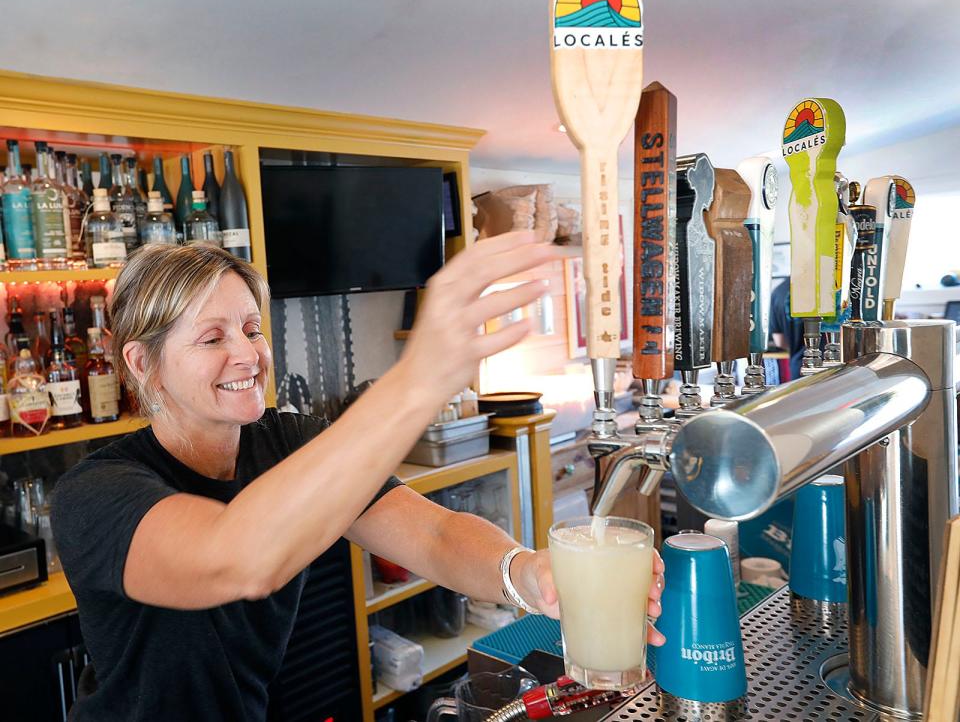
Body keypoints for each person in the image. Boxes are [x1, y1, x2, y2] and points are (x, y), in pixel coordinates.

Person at [51, 233, 666, 721]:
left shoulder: (289, 442)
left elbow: (433, 536)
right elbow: (236, 558)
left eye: (251, 327)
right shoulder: (95, 495)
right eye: (212, 337)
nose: (247, 354)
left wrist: (529, 574)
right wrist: (417, 377)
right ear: (143, 363)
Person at [769, 277, 804, 381]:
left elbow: (779, 341)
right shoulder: (826, 287)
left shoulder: (779, 292)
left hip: (799, 367)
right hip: (832, 367)